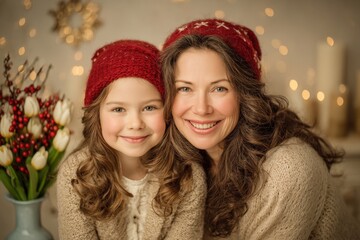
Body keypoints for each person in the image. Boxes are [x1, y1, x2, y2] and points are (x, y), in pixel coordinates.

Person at [160, 18, 360, 239]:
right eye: (185, 88)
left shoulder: (287, 169)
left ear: (245, 94)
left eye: (219, 88)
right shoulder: (189, 160)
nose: (201, 108)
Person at [57, 39, 206, 240]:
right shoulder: (76, 174)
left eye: (149, 108)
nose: (135, 123)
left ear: (167, 110)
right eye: (118, 109)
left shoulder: (188, 176)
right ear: (97, 115)